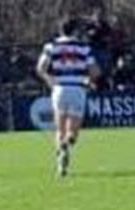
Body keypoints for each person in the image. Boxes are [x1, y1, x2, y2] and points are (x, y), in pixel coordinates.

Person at [35, 18, 101, 178]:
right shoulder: (84, 48)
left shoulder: (51, 46)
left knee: (60, 128)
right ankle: (67, 143)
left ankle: (61, 165)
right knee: (73, 132)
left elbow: (41, 68)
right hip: (78, 89)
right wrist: (90, 81)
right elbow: (95, 71)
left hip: (60, 89)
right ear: (75, 31)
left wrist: (51, 81)